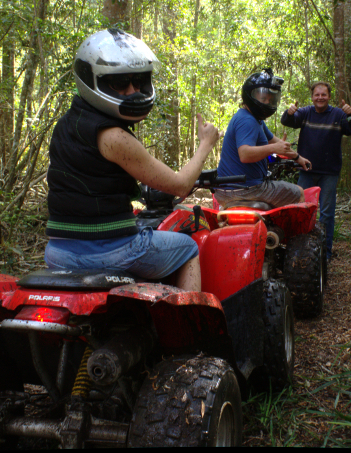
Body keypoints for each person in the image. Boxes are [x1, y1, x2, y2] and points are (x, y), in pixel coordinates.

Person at [44, 28, 220, 291]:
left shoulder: (66, 126)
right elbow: (181, 185)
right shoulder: (114, 137)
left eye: (138, 82)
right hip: (110, 251)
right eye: (119, 83)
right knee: (188, 247)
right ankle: (185, 327)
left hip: (58, 252)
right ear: (93, 81)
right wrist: (205, 144)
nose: (132, 91)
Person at [280, 81, 351, 261]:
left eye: (323, 95)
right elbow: (286, 121)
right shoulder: (305, 113)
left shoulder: (338, 114)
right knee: (301, 211)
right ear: (312, 97)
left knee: (326, 213)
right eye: (317, 95)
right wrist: (289, 112)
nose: (320, 98)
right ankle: (299, 251)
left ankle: (325, 253)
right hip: (306, 170)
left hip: (329, 172)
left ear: (329, 97)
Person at [215, 68, 311, 208]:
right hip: (247, 189)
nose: (267, 103)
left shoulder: (255, 119)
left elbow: (278, 142)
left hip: (228, 189)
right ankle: (295, 230)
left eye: (270, 100)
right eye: (263, 99)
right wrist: (273, 148)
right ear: (251, 96)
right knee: (299, 192)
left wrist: (298, 158)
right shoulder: (247, 120)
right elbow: (245, 154)